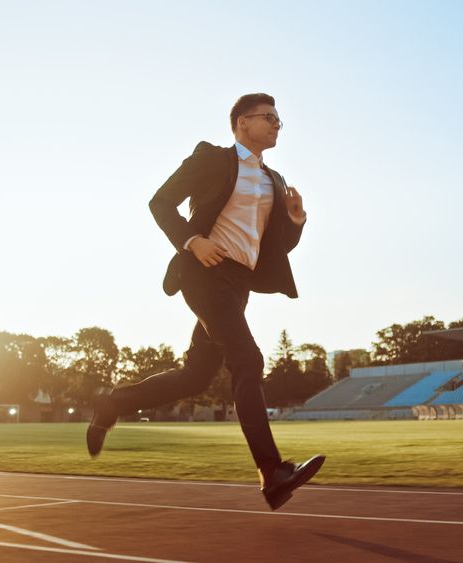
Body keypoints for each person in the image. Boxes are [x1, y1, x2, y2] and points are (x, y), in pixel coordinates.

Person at [86, 93, 324, 511]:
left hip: (238, 284)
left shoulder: (275, 181)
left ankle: (113, 402)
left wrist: (296, 219)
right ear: (241, 122)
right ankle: (272, 472)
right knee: (247, 361)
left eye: (279, 121)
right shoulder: (211, 159)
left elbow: (276, 245)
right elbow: (160, 202)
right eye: (268, 118)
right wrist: (191, 241)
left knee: (195, 377)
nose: (276, 125)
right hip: (204, 273)